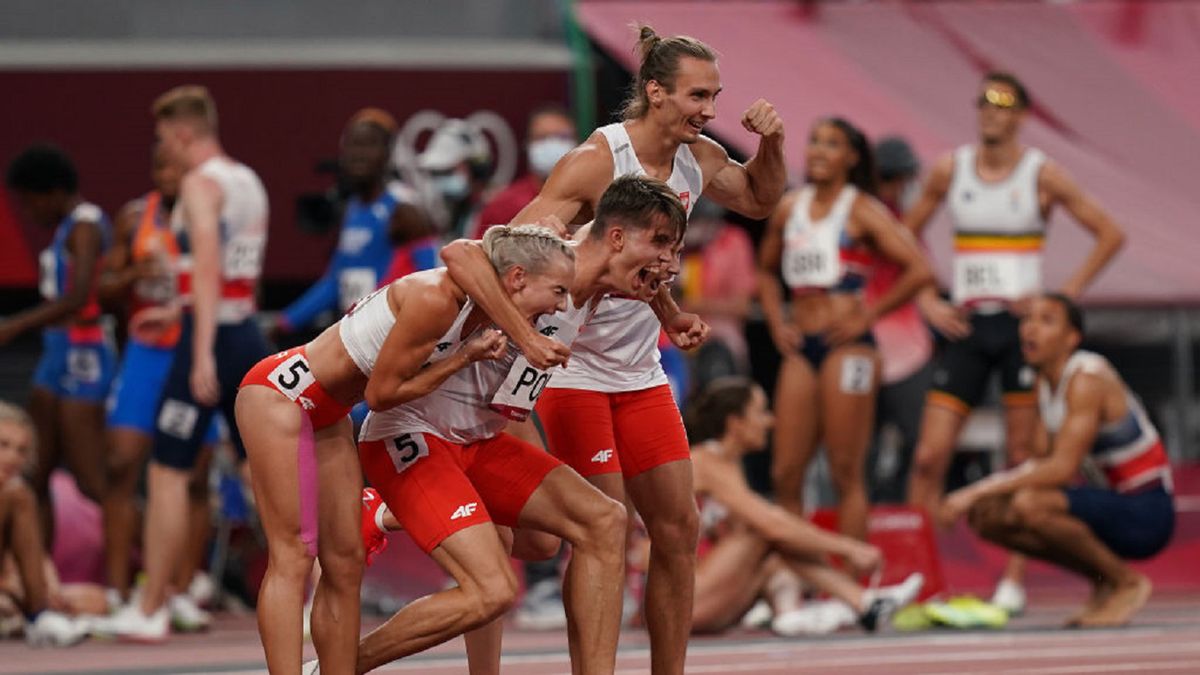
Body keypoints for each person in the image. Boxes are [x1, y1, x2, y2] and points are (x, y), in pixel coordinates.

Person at [510, 25, 786, 673]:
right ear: (655, 93)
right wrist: (552, 258)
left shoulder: (698, 158)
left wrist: (771, 142)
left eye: (716, 97)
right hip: (572, 372)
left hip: (640, 373)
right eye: (697, 96)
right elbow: (513, 248)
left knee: (678, 528)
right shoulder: (597, 160)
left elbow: (760, 197)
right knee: (598, 531)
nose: (710, 111)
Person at [353, 175, 688, 675]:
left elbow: (647, 280)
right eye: (660, 244)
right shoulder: (555, 255)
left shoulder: (612, 284)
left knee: (584, 527)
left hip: (489, 426)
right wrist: (523, 337)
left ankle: (386, 512)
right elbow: (461, 253)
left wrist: (672, 314)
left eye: (675, 249)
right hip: (418, 427)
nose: (669, 263)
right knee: (497, 577)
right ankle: (339, 664)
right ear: (615, 238)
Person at [238, 223, 575, 673]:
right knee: (293, 556)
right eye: (557, 290)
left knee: (345, 562)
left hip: (331, 409)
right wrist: (464, 356)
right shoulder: (437, 296)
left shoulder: (482, 302)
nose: (562, 304)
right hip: (281, 395)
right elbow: (380, 395)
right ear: (515, 277)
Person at [905, 72, 1126, 612]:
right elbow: (901, 235)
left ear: (1022, 115)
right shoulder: (950, 169)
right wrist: (928, 298)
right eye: (983, 102)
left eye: (1003, 105)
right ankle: (918, 576)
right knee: (930, 455)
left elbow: (1110, 233)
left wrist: (1060, 298)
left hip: (1021, 334)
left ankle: (1014, 581)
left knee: (1022, 455)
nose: (991, 112)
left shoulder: (1041, 175)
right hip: (968, 325)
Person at [99, 85, 272, 642]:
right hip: (244, 330)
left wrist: (195, 347)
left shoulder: (199, 184)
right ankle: (314, 586)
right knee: (259, 471)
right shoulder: (247, 180)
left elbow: (208, 265)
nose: (161, 150)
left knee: (167, 470)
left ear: (182, 133)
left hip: (211, 335)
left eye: (161, 139)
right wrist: (173, 308)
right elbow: (237, 273)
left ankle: (150, 607)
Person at [940, 294, 1173, 627]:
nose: (1031, 329)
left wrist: (972, 490)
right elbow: (1038, 463)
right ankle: (1102, 580)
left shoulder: (1087, 379)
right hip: (1107, 507)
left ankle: (1125, 582)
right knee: (987, 515)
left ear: (1072, 338)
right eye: (1028, 319)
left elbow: (1060, 469)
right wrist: (984, 497)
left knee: (1030, 503)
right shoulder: (1043, 383)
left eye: (1046, 321)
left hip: (1146, 513)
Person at [758, 118, 932, 546]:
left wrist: (868, 316)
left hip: (848, 347)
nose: (817, 150)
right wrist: (777, 322)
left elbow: (918, 270)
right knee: (785, 470)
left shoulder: (862, 209)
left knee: (844, 470)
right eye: (814, 141)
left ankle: (851, 585)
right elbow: (764, 270)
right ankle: (794, 584)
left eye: (831, 144)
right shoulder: (788, 207)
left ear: (851, 157)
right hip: (802, 345)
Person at [685, 378, 924, 636]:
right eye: (761, 411)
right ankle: (856, 601)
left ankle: (804, 612)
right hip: (681, 601)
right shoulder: (704, 462)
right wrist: (848, 548)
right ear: (735, 423)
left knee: (775, 548)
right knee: (764, 530)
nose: (770, 421)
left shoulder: (729, 466)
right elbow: (770, 526)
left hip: (706, 595)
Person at [96, 142, 220, 625]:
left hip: (191, 350)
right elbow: (103, 289)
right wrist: (131, 273)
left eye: (177, 167)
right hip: (146, 354)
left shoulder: (209, 214)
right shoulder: (134, 218)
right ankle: (117, 591)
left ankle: (181, 589)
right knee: (121, 463)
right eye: (160, 167)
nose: (168, 175)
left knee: (195, 474)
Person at [1, 144, 113, 546]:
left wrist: (14, 325)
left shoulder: (85, 224)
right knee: (35, 472)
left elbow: (79, 296)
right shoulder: (69, 227)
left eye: (30, 202)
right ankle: (43, 579)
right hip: (56, 352)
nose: (28, 213)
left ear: (52, 192)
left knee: (91, 480)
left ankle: (160, 578)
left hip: (83, 354)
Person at [276, 108, 434, 336]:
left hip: (392, 336)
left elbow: (434, 279)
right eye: (353, 145)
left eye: (369, 145)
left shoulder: (404, 210)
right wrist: (285, 322)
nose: (359, 154)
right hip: (357, 337)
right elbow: (335, 282)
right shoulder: (351, 208)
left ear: (388, 153)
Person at [864, 136, 935, 503]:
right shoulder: (858, 216)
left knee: (917, 446)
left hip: (906, 352)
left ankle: (903, 512)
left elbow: (922, 274)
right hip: (868, 347)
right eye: (892, 180)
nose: (896, 188)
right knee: (862, 451)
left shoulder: (906, 222)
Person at [0, 401, 92, 647]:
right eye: (3, 445)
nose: (12, 457)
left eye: (21, 450)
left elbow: (33, 555)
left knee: (92, 600)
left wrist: (47, 587)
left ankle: (39, 616)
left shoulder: (15, 496)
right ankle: (34, 615)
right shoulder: (13, 496)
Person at [472, 104, 577, 239]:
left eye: (562, 137)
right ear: (528, 145)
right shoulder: (502, 205)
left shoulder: (594, 201)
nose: (552, 144)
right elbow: (476, 256)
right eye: (542, 137)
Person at [418, 118, 493, 238]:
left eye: (447, 171)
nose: (440, 179)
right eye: (435, 173)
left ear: (477, 170)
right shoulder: (434, 219)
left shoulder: (497, 216)